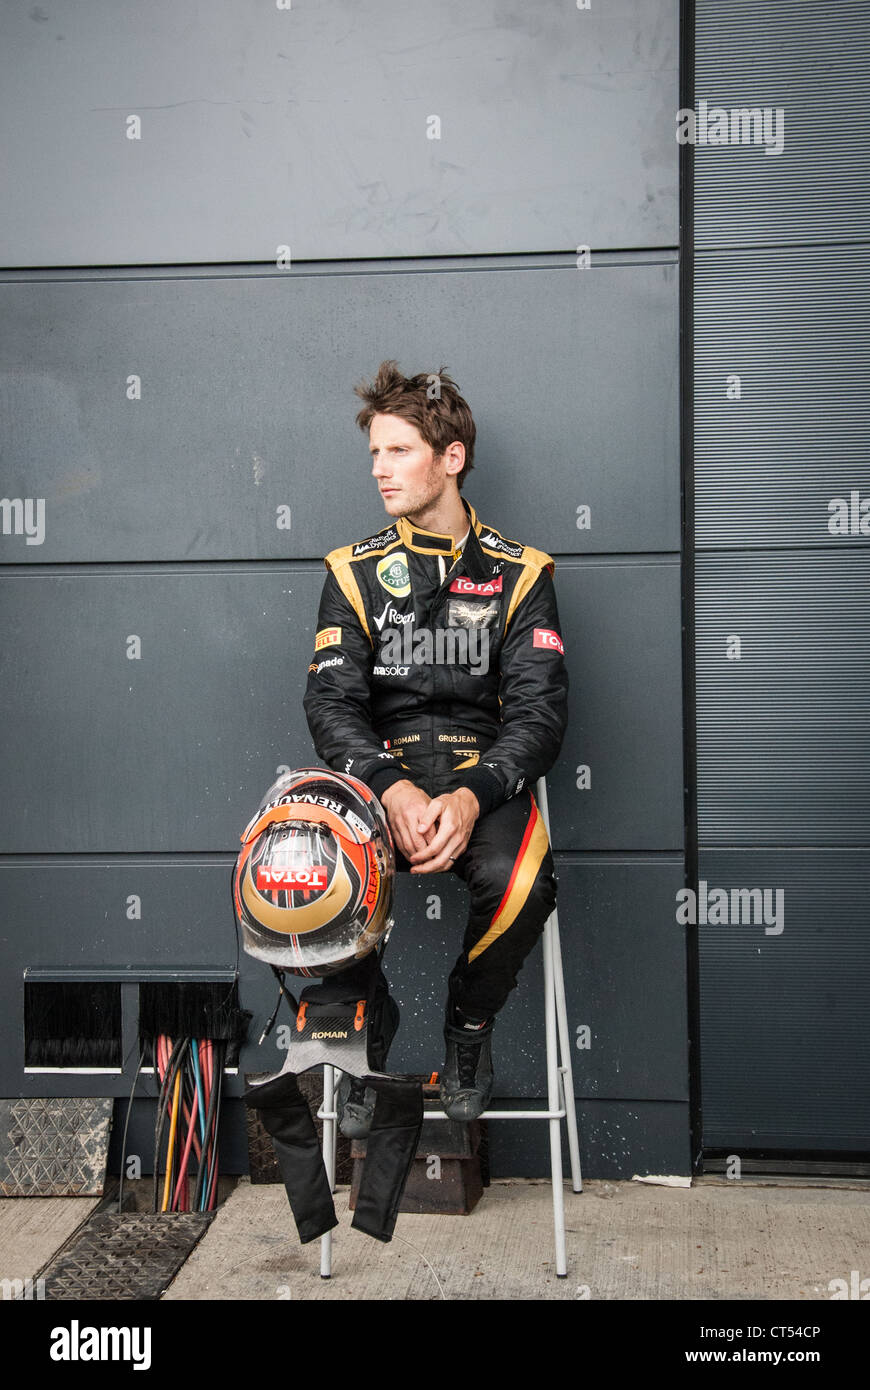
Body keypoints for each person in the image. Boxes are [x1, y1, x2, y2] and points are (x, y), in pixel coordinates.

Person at [303, 360, 569, 1126]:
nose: (381, 472)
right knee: (308, 866)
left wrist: (468, 793)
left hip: (480, 781)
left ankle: (468, 1026)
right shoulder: (352, 573)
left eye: (399, 452)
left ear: (451, 459)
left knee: (524, 884)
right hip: (378, 783)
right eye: (375, 455)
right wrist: (390, 786)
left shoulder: (522, 574)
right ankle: (362, 1022)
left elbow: (539, 717)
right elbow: (330, 702)